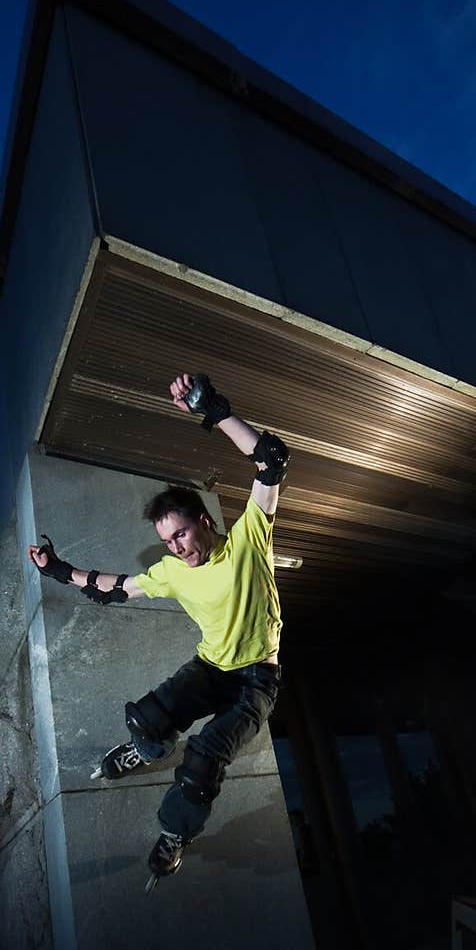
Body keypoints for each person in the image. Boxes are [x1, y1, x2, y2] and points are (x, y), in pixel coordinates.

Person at [27, 371, 288, 890]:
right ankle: (145, 750)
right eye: (168, 541)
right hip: (212, 666)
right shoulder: (169, 571)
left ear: (205, 523)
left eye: (182, 534)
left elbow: (272, 460)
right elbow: (116, 587)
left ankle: (175, 837)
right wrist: (59, 570)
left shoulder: (251, 536)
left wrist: (211, 409)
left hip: (257, 679)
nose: (177, 548)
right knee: (147, 722)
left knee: (202, 763)